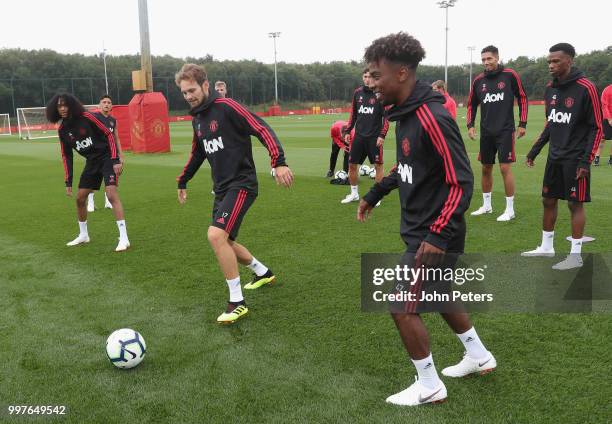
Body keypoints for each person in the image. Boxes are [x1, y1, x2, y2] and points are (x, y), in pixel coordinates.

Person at [358, 32, 495, 406]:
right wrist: (375, 193)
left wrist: (437, 234)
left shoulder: (431, 115)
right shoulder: (405, 114)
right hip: (427, 231)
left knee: (401, 306)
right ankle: (479, 356)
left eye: (376, 75)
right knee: (439, 295)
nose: (372, 84)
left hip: (434, 235)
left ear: (402, 73)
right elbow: (407, 166)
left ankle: (429, 385)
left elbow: (460, 181)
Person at [175, 64, 293, 324]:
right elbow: (198, 153)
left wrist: (279, 161)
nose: (189, 96)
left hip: (242, 184)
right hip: (222, 189)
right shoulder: (198, 119)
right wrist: (183, 180)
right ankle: (262, 272)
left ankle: (237, 302)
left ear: (205, 85)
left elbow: (261, 128)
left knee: (215, 235)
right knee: (225, 241)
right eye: (184, 93)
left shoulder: (227, 107)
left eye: (192, 90)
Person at [522, 43, 602, 270]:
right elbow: (552, 122)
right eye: (549, 61)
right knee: (548, 200)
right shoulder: (550, 88)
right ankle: (546, 248)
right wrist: (535, 150)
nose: (551, 65)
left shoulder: (586, 87)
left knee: (575, 205)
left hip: (576, 158)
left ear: (570, 61)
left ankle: (575, 256)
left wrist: (586, 160)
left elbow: (597, 127)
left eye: (556, 61)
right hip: (554, 157)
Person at [45, 93, 130, 252]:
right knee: (80, 198)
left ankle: (124, 238)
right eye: (59, 106)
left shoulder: (86, 116)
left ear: (71, 105)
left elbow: (109, 134)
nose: (62, 108)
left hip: (107, 157)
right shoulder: (62, 129)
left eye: (65, 105)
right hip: (92, 162)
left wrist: (116, 158)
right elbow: (66, 156)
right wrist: (68, 181)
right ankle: (84, 235)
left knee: (111, 194)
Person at [467, 45, 528, 222]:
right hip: (486, 132)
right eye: (483, 59)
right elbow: (471, 104)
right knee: (486, 168)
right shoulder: (478, 80)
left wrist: (522, 123)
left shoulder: (509, 75)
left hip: (505, 130)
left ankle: (510, 209)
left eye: (489, 59)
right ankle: (487, 206)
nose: (486, 62)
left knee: (504, 168)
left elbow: (522, 97)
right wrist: (470, 125)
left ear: (497, 58)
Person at [340, 68, 389, 204]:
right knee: (352, 165)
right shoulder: (357, 93)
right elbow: (353, 115)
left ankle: (377, 196)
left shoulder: (380, 93)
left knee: (378, 166)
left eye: (370, 76)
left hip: (374, 138)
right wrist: (348, 131)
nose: (368, 79)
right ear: (363, 78)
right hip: (359, 137)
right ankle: (354, 193)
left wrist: (382, 135)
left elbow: (386, 118)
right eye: (365, 76)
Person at [87, 94, 123, 211]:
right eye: (104, 102)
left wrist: (120, 155)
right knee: (93, 178)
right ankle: (91, 202)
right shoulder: (94, 117)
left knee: (110, 178)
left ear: (111, 106)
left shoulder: (113, 121)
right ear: (99, 105)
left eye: (108, 102)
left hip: (110, 155)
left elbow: (116, 138)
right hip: (96, 154)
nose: (106, 104)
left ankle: (108, 201)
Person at [593, 84, 612, 166]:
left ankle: (611, 159)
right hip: (606, 118)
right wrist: (609, 119)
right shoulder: (607, 90)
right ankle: (597, 158)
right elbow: (604, 105)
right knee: (602, 139)